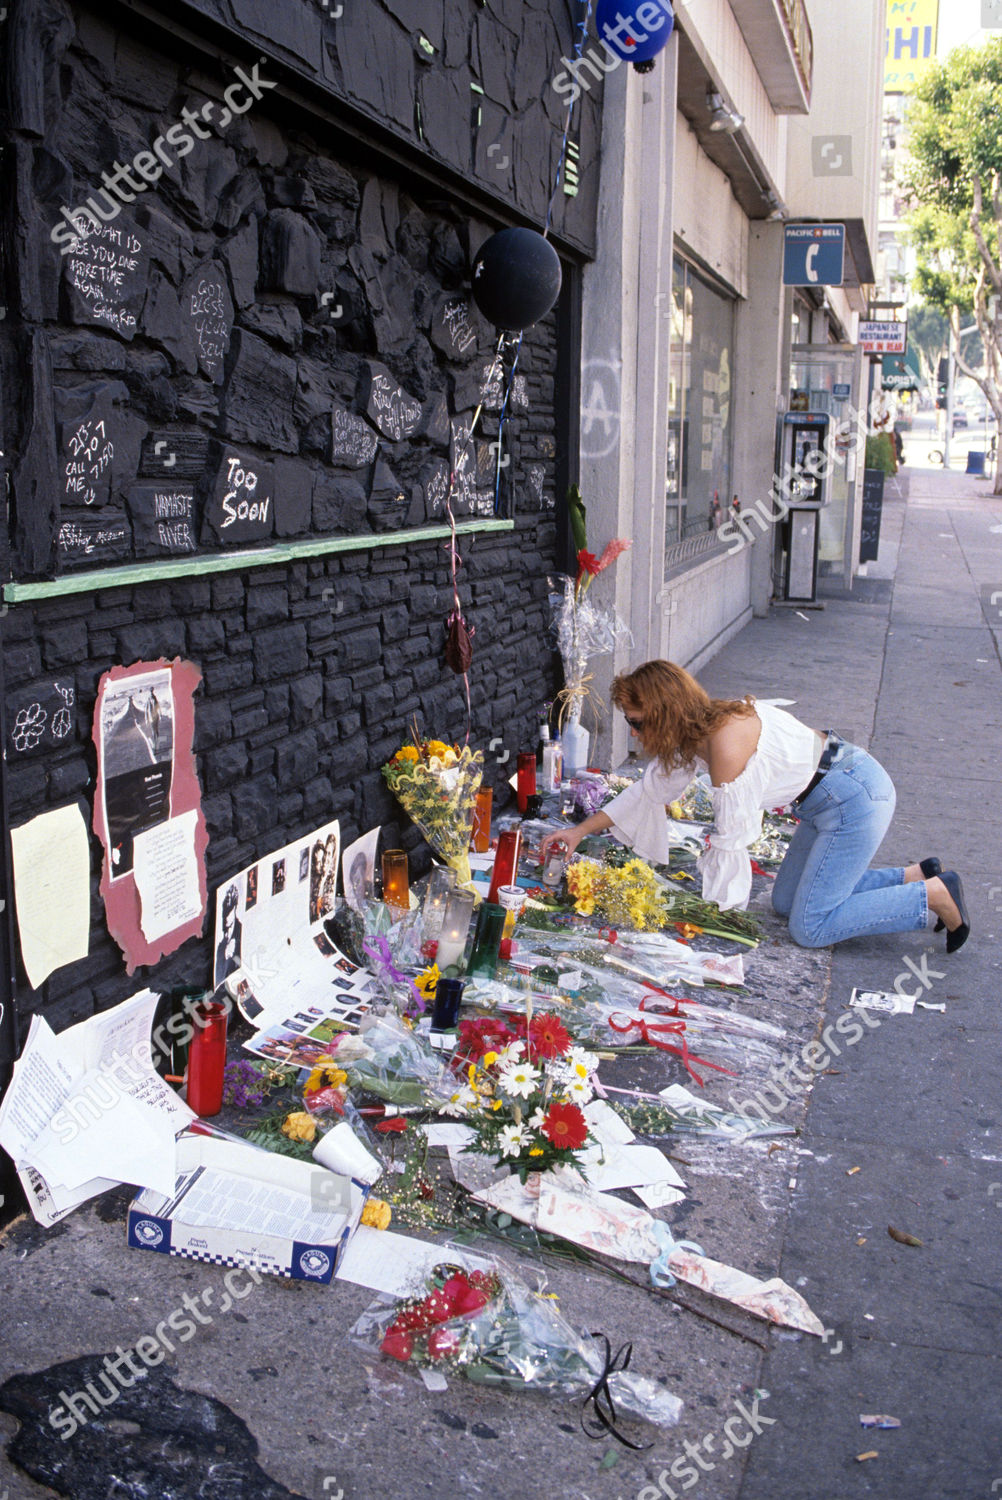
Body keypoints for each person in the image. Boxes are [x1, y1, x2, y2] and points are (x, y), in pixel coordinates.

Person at [539, 660, 970, 952]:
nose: (633, 734)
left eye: (635, 722)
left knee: (811, 927)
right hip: (827, 800)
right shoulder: (698, 728)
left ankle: (931, 895)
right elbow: (647, 793)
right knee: (785, 904)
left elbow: (731, 843)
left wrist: (717, 921)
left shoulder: (725, 744)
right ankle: (913, 875)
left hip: (855, 798)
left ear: (663, 712)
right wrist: (578, 832)